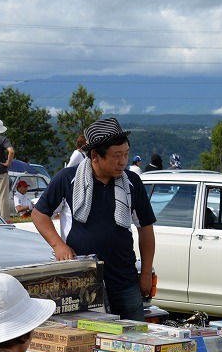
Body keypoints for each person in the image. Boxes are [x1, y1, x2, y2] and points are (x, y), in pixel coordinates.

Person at [32, 117, 155, 321]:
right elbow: (39, 214)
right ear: (96, 156)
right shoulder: (67, 179)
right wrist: (58, 245)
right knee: (88, 339)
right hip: (80, 279)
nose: (123, 161)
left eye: (125, 154)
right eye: (117, 156)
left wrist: (146, 272)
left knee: (133, 335)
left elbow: (145, 228)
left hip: (124, 277)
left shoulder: (132, 181)